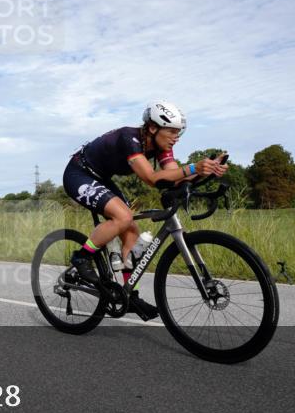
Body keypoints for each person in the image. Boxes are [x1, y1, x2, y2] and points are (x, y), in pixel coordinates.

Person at [62, 101, 228, 319]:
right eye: (171, 131)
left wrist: (207, 171)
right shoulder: (129, 139)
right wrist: (195, 166)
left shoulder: (162, 147)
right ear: (152, 128)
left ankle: (130, 295)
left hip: (101, 178)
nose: (175, 137)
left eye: (178, 132)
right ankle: (82, 257)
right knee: (123, 216)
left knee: (131, 230)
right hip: (79, 173)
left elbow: (174, 177)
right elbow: (151, 178)